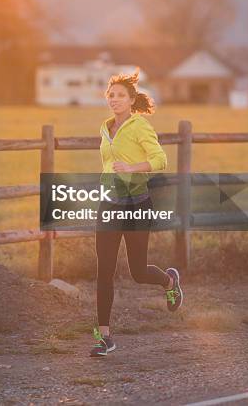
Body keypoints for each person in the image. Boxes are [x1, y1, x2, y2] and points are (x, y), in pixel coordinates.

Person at [90, 70, 183, 357]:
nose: (114, 99)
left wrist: (132, 169)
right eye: (111, 95)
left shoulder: (140, 126)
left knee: (138, 272)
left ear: (132, 100)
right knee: (103, 271)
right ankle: (104, 337)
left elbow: (160, 160)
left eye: (120, 95)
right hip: (109, 205)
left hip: (136, 205)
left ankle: (169, 281)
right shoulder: (105, 128)